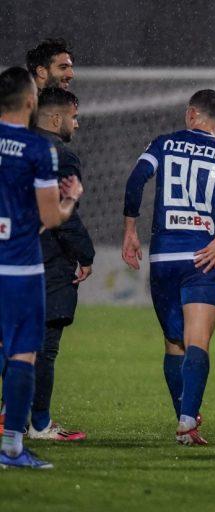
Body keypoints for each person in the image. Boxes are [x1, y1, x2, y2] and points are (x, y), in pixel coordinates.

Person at [122, 89, 215, 445]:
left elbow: (135, 180)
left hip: (164, 257)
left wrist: (130, 230)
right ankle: (187, 423)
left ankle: (184, 413)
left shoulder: (162, 144)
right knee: (198, 341)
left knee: (173, 343)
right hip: (202, 256)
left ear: (190, 114)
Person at [0, 67, 83, 469]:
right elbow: (51, 218)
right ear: (31, 101)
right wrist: (71, 199)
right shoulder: (37, 149)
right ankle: (12, 448)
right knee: (22, 355)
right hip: (19, 268)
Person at [25, 87, 93, 442]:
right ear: (55, 118)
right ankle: (39, 424)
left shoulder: (14, 147)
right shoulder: (60, 156)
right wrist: (86, 254)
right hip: (47, 262)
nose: (76, 124)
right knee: (45, 348)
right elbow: (64, 218)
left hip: (12, 256)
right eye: (73, 117)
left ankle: (12, 418)